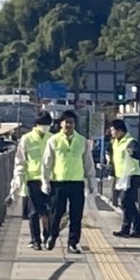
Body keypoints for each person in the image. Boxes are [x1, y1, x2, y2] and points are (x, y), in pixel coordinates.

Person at [41, 109, 97, 254]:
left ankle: (73, 243)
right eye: (66, 122)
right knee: (56, 212)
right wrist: (45, 181)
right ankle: (52, 236)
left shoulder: (82, 141)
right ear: (60, 124)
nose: (69, 125)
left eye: (71, 122)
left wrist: (91, 182)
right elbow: (47, 163)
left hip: (77, 182)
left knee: (76, 214)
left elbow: (88, 163)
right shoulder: (53, 141)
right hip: (58, 182)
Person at [7, 112, 54, 250]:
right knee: (33, 212)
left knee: (49, 211)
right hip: (32, 179)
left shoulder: (53, 138)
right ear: (36, 124)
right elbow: (20, 160)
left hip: (50, 179)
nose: (45, 127)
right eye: (42, 124)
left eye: (47, 124)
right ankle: (35, 240)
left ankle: (47, 235)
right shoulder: (26, 139)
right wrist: (18, 178)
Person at [108, 119, 140, 238]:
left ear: (120, 130)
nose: (111, 132)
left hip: (132, 175)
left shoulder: (130, 141)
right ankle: (137, 228)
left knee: (125, 201)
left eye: (113, 130)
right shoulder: (115, 142)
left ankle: (126, 228)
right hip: (122, 176)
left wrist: (133, 152)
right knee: (128, 202)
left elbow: (138, 153)